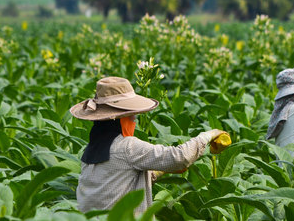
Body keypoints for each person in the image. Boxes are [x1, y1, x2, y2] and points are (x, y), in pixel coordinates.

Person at [70, 76, 226, 213]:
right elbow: (180, 157)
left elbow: (120, 179)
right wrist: (209, 135)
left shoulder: (90, 151)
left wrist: (161, 169)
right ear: (119, 120)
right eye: (132, 117)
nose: (134, 122)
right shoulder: (127, 147)